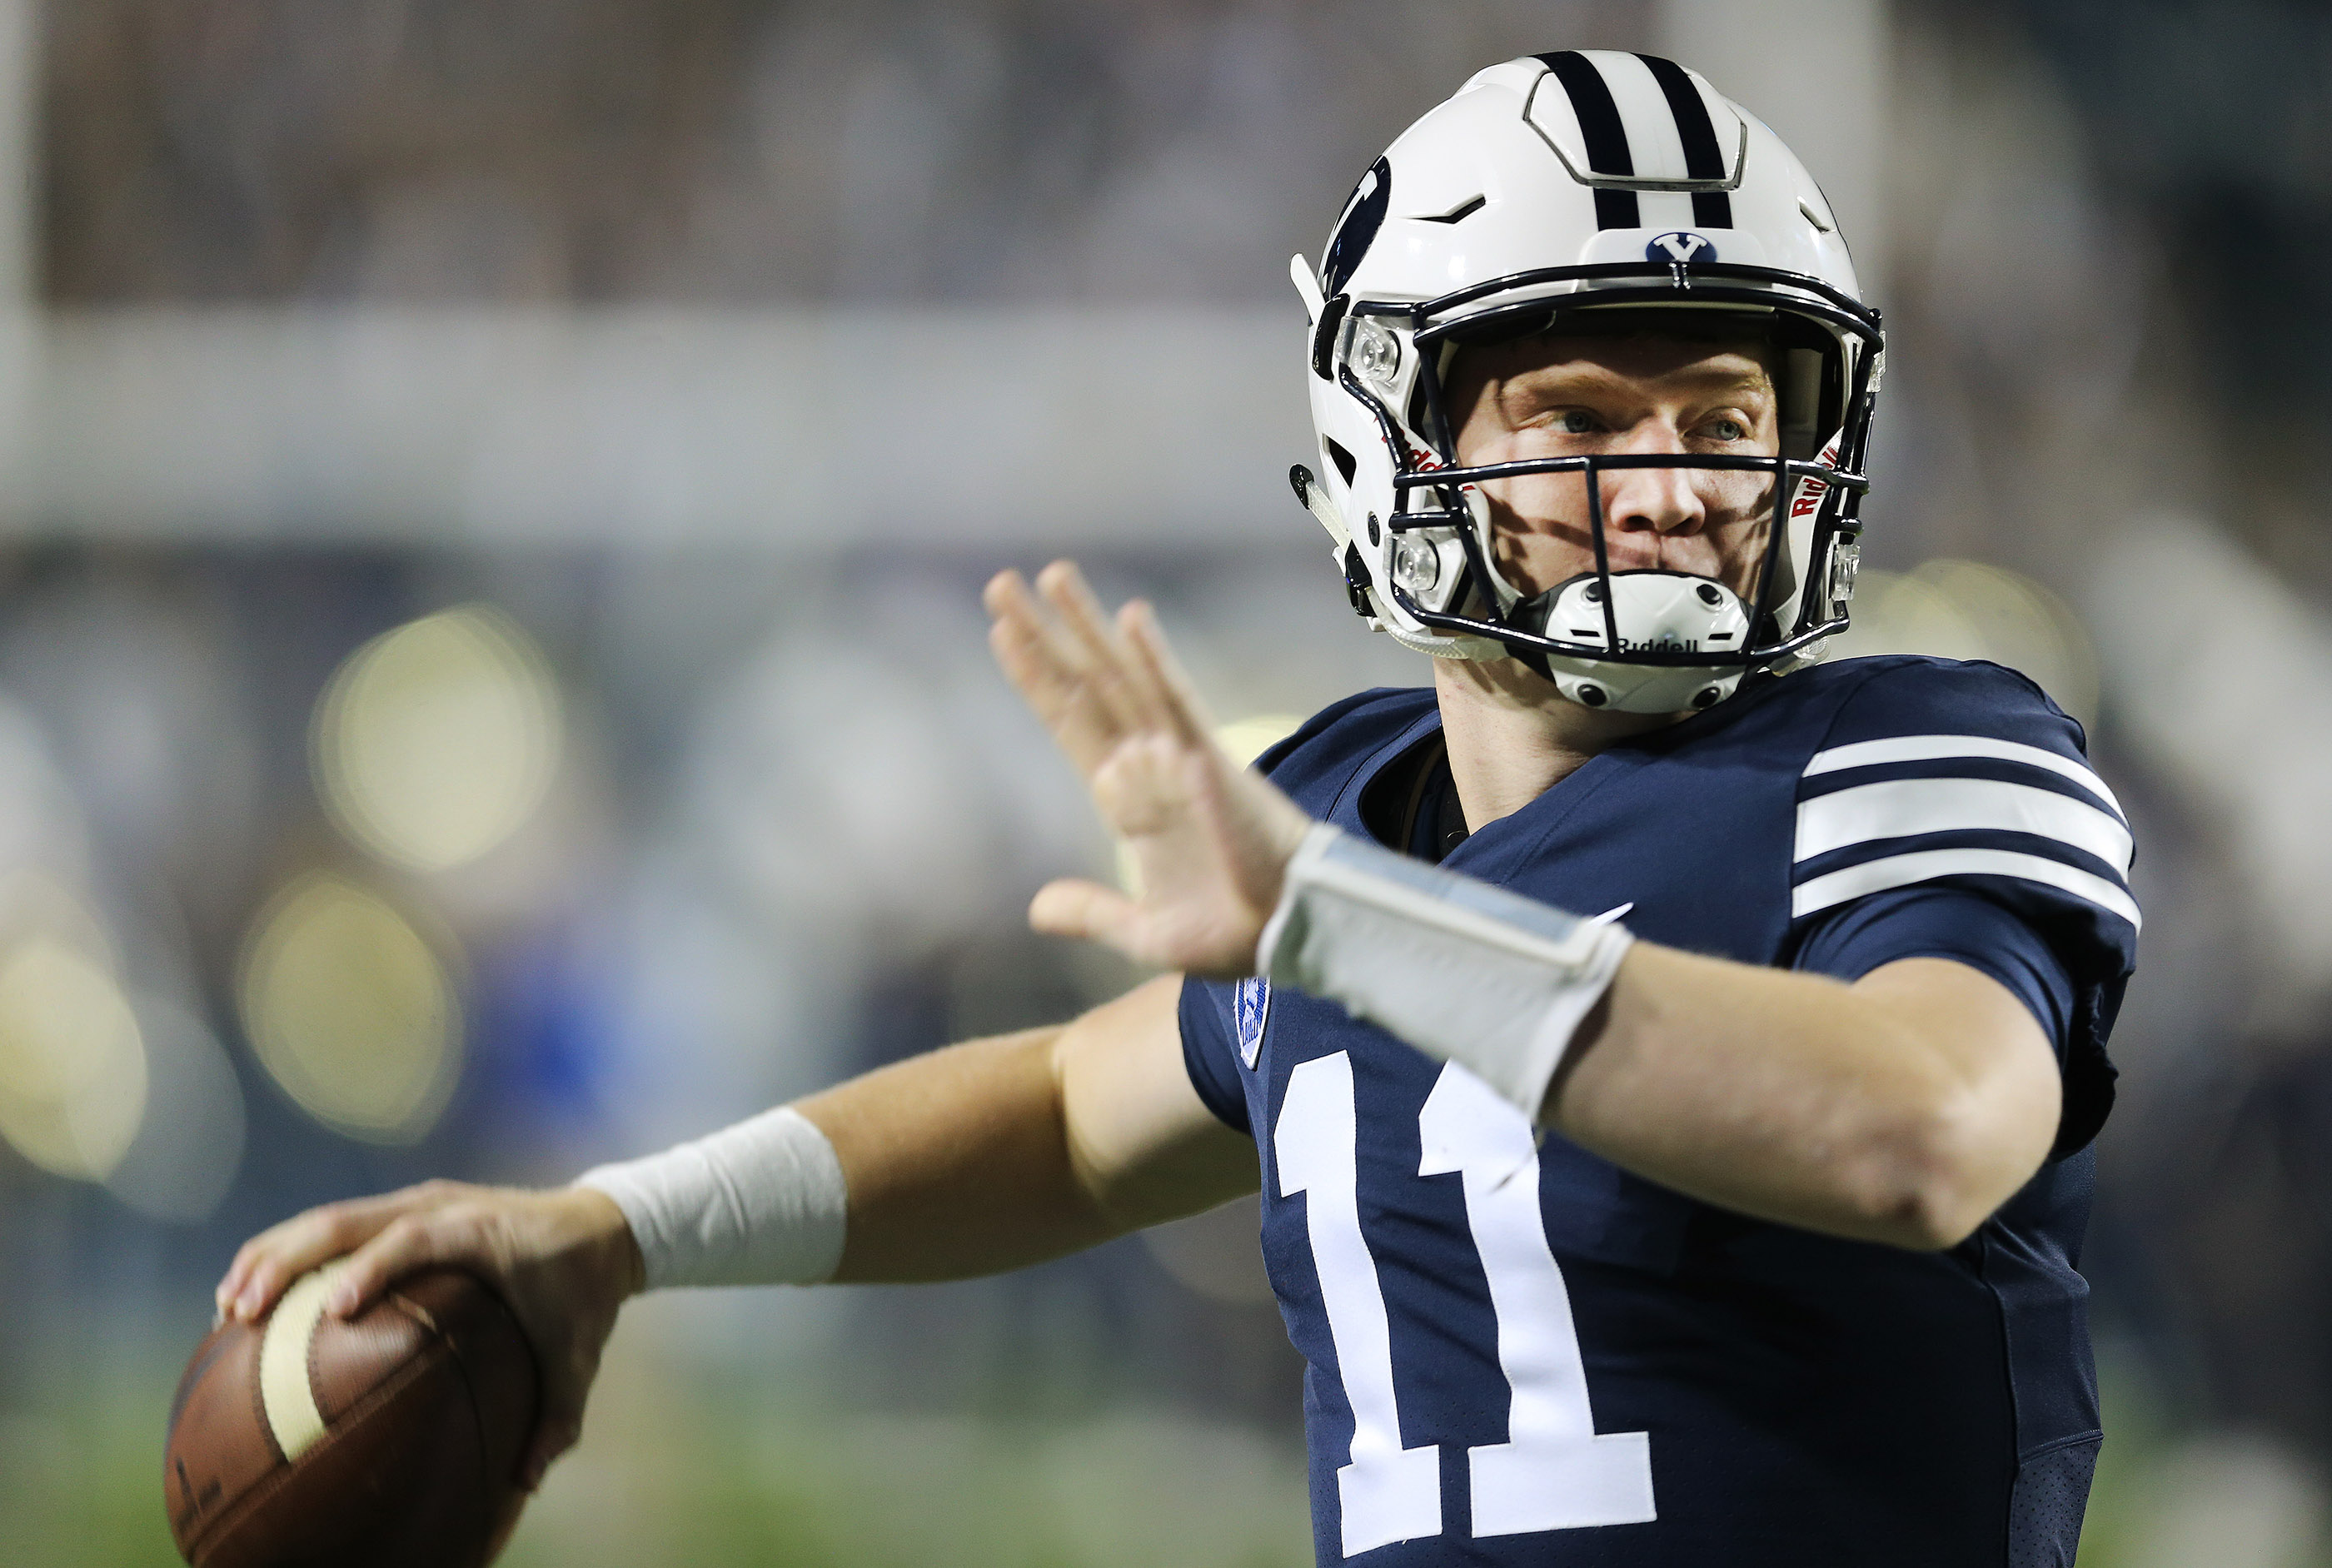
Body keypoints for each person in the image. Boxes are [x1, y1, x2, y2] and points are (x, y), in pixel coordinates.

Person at [214, 52, 2135, 1566]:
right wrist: (607, 1231)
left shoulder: (1902, 749)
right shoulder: (1348, 820)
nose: (1668, 487)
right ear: (1394, 443)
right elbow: (1067, 1113)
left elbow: (1922, 1130)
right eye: (1576, 422)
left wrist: (1333, 927)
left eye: (1722, 418)